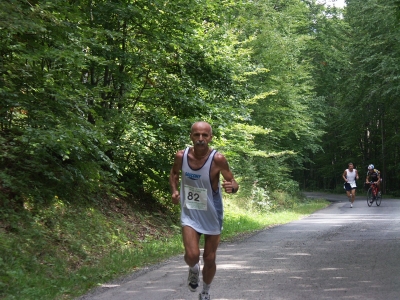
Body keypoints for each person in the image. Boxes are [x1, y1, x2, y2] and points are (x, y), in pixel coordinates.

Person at [169, 121, 239, 300]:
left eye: (204, 135)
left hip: (212, 214)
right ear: (191, 136)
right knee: (192, 255)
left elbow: (233, 181)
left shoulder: (218, 159)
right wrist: (175, 191)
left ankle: (205, 292)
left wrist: (233, 187)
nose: (200, 139)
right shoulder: (181, 156)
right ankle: (193, 269)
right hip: (190, 212)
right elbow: (174, 174)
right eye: (197, 135)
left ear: (210, 137)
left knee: (209, 259)